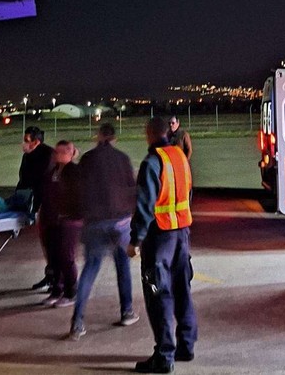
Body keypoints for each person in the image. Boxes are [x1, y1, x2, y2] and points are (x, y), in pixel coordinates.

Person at [128, 116, 197, 374]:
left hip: (159, 240)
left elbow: (145, 207)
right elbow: (188, 193)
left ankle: (164, 355)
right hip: (182, 235)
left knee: (157, 293)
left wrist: (135, 240)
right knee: (182, 289)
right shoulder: (180, 157)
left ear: (149, 134)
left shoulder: (152, 162)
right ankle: (186, 345)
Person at [65, 121, 139, 340]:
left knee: (90, 269)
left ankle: (77, 322)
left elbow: (77, 189)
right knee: (123, 265)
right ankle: (126, 311)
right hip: (120, 222)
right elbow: (131, 189)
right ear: (114, 138)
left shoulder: (87, 159)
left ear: (98, 137)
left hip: (94, 221)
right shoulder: (123, 158)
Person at [39, 140, 81, 307]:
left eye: (61, 152)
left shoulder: (75, 172)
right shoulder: (53, 172)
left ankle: (71, 292)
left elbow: (79, 197)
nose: (57, 155)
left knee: (66, 257)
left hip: (69, 222)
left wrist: (71, 215)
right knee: (53, 256)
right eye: (56, 152)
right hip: (52, 220)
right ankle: (57, 289)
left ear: (70, 153)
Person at [16, 126, 54, 290]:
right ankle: (50, 275)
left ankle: (56, 279)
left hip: (49, 203)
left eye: (27, 140)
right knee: (46, 244)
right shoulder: (29, 155)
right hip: (38, 202)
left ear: (36, 142)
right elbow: (23, 179)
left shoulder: (48, 155)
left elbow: (37, 178)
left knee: (52, 244)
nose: (24, 143)